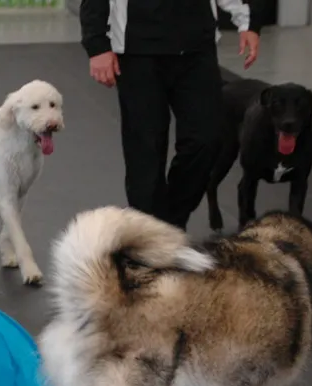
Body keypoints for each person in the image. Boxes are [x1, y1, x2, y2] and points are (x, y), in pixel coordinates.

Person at [80, 0, 261, 230]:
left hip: (197, 47)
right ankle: (148, 233)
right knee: (146, 150)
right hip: (137, 49)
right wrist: (97, 45)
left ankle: (171, 222)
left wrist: (247, 21)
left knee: (207, 139)